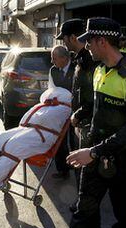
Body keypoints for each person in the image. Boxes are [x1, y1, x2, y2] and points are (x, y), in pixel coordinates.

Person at [66, 17, 126, 228]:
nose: (86, 46)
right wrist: (80, 114)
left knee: (123, 219)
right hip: (95, 154)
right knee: (83, 213)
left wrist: (94, 152)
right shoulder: (98, 70)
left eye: (89, 41)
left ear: (102, 42)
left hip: (123, 161)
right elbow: (97, 107)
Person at [56, 18, 98, 212]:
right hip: (80, 120)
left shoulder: (90, 60)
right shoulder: (80, 58)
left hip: (86, 122)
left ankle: (85, 203)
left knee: (84, 165)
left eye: (64, 39)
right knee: (80, 165)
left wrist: (79, 114)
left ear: (73, 37)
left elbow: (92, 96)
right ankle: (85, 200)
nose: (63, 43)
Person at [49, 45, 76, 179]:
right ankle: (62, 169)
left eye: (54, 58)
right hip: (60, 110)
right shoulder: (54, 70)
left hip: (76, 111)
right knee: (59, 139)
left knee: (74, 140)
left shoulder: (76, 68)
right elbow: (52, 89)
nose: (52, 62)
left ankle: (77, 168)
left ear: (64, 58)